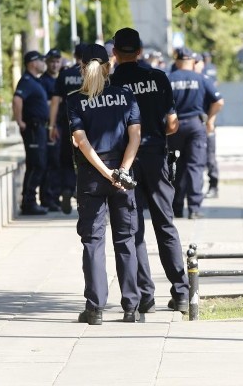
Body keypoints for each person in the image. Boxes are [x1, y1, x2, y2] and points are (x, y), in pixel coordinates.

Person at [110, 28, 190, 314]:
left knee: (134, 229)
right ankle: (181, 292)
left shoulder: (112, 82)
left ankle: (145, 294)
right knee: (165, 224)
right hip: (156, 157)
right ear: (141, 51)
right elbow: (171, 123)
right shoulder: (158, 77)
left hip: (126, 162)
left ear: (115, 52)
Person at [67, 43, 142, 325]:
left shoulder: (75, 100)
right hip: (124, 176)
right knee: (125, 240)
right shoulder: (125, 95)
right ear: (109, 67)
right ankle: (131, 308)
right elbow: (135, 136)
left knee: (93, 242)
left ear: (82, 68)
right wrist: (121, 171)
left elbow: (82, 142)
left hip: (91, 178)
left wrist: (105, 172)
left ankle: (95, 308)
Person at [168, 47, 224, 219]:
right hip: (195, 126)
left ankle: (176, 207)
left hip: (174, 126)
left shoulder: (168, 79)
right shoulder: (201, 78)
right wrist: (210, 120)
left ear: (177, 61)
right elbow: (219, 101)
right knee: (195, 166)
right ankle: (194, 208)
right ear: (192, 61)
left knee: (177, 166)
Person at [49, 44, 87, 215]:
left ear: (74, 55)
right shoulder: (91, 74)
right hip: (88, 124)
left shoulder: (65, 74)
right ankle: (82, 190)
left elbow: (55, 101)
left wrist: (52, 125)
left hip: (67, 124)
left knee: (66, 160)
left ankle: (67, 188)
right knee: (87, 159)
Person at [13, 51, 49, 215]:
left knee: (39, 163)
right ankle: (28, 202)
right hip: (33, 128)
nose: (44, 63)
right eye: (41, 60)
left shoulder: (35, 81)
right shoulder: (26, 81)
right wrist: (19, 121)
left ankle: (31, 201)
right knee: (36, 164)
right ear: (33, 63)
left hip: (39, 127)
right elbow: (17, 99)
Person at [39, 49, 63, 211]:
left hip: (62, 125)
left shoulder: (63, 79)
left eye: (57, 61)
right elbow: (45, 105)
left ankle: (56, 196)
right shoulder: (43, 82)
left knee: (59, 163)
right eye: (52, 61)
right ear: (47, 62)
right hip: (49, 127)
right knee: (50, 164)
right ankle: (47, 198)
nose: (55, 64)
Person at [197, 53, 220, 199]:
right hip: (195, 124)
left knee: (210, 157)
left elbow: (217, 101)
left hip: (206, 123)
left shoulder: (205, 79)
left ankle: (213, 186)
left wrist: (210, 120)